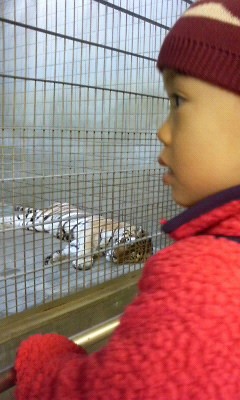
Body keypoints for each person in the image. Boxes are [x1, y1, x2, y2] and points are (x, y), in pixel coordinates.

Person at [14, 0, 240, 398]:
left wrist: (40, 354)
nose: (161, 133)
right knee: (38, 219)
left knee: (43, 221)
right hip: (73, 220)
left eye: (178, 101)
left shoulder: (202, 283)